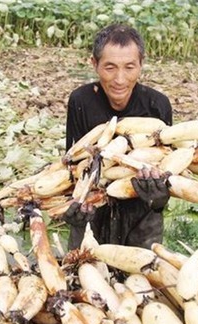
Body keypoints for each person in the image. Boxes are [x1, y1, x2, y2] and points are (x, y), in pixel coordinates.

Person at [63, 24, 173, 250]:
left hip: (141, 214)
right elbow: (72, 164)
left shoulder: (157, 106)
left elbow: (169, 170)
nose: (120, 80)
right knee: (82, 276)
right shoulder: (81, 101)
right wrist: (73, 207)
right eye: (110, 67)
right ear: (94, 64)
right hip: (91, 210)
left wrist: (158, 196)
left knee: (142, 279)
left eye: (129, 67)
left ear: (141, 64)